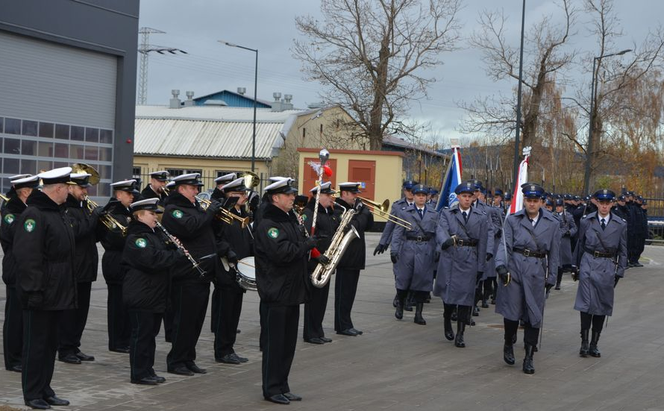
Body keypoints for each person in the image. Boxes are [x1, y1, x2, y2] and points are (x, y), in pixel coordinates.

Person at [14, 167, 77, 410]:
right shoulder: (35, 214)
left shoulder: (57, 213)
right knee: (35, 346)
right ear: (58, 189)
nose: (69, 192)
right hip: (40, 294)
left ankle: (45, 389)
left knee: (50, 345)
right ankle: (32, 393)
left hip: (57, 293)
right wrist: (34, 291)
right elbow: (28, 257)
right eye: (68, 188)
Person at [254, 177, 317, 404]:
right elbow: (283, 253)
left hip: (292, 290)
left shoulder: (290, 220)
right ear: (275, 198)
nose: (293, 198)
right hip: (277, 291)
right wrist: (306, 246)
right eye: (288, 195)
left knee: (288, 343)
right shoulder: (268, 224)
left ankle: (283, 384)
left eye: (292, 194)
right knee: (274, 344)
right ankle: (271, 388)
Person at [494, 183, 560, 374]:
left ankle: (529, 356)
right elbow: (504, 245)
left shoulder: (552, 223)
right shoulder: (513, 220)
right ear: (524, 201)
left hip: (537, 272)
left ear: (542, 202)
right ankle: (508, 341)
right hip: (515, 269)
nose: (532, 204)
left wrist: (552, 277)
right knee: (512, 312)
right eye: (529, 200)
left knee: (534, 315)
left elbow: (555, 253)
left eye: (535, 201)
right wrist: (501, 266)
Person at [122, 197, 186, 385]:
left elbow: (160, 254)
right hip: (142, 294)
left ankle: (147, 369)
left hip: (153, 294)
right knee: (141, 335)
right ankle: (139, 373)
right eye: (151, 214)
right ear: (139, 216)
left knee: (150, 335)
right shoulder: (137, 238)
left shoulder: (153, 234)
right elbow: (153, 260)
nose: (155, 217)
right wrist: (176, 254)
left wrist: (171, 246)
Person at [161, 173, 218, 376]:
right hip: (186, 274)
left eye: (196, 188)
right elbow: (192, 228)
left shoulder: (194, 208)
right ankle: (176, 360)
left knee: (195, 321)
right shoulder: (173, 210)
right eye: (193, 188)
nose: (196, 191)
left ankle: (188, 357)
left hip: (202, 273)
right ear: (182, 189)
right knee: (183, 321)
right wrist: (209, 211)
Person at [573, 189, 627, 358]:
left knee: (602, 305)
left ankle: (594, 343)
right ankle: (584, 342)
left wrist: (620, 271)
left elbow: (623, 250)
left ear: (612, 204)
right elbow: (580, 244)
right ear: (596, 203)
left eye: (607, 203)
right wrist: (575, 265)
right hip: (589, 262)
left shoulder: (620, 224)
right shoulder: (586, 221)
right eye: (601, 203)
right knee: (586, 303)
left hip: (607, 265)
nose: (604, 206)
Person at [434, 181, 488, 348]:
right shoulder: (447, 213)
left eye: (469, 196)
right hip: (451, 256)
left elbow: (483, 243)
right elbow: (440, 229)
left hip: (469, 258)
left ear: (473, 198)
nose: (466, 199)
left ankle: (460, 333)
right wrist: (446, 241)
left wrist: (480, 266)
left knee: (466, 298)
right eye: (463, 196)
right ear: (457, 197)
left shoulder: (481, 217)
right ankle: (447, 319)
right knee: (449, 296)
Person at [58, 172, 100, 364]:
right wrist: (93, 219)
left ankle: (74, 345)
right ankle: (65, 349)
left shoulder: (83, 208)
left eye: (86, 188)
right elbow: (77, 232)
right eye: (82, 188)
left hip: (86, 267)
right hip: (74, 268)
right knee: (70, 312)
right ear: (71, 188)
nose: (85, 192)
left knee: (82, 311)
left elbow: (92, 235)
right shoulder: (65, 208)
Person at [213, 177, 253, 364]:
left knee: (234, 312)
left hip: (240, 268)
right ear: (229, 195)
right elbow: (215, 238)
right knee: (225, 313)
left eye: (245, 193)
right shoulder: (223, 214)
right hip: (226, 269)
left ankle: (230, 347)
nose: (245, 196)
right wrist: (227, 252)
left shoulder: (240, 212)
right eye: (240, 193)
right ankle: (222, 350)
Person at [1, 175, 38, 373]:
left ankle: (22, 355)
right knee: (14, 317)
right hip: (15, 268)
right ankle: (12, 358)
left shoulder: (25, 210)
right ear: (24, 192)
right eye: (33, 191)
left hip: (26, 269)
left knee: (24, 316)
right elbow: (17, 234)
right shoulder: (10, 211)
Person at [390, 184, 438, 325]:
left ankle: (419, 313)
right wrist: (394, 250)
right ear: (415, 196)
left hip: (425, 248)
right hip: (408, 248)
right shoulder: (405, 212)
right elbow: (398, 232)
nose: (421, 198)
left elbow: (437, 234)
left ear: (427, 197)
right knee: (404, 278)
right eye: (418, 195)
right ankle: (400, 304)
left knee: (423, 282)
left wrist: (438, 250)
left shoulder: (433, 213)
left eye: (423, 195)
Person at [99, 179, 138, 353]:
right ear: (119, 194)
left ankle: (125, 338)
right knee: (116, 305)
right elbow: (114, 238)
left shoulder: (128, 212)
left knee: (126, 303)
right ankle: (117, 341)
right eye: (128, 194)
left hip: (126, 261)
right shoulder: (112, 213)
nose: (132, 197)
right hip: (115, 261)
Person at [334, 182, 373, 336]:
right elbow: (352, 226)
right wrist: (362, 213)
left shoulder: (354, 209)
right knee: (343, 294)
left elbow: (367, 226)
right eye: (353, 194)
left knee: (350, 294)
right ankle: (341, 325)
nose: (356, 196)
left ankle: (347, 322)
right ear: (344, 194)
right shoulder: (339, 209)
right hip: (345, 259)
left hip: (355, 258)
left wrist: (367, 213)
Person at [302, 182, 338, 344]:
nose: (331, 198)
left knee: (322, 299)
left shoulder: (326, 212)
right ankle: (310, 333)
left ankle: (318, 330)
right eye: (328, 195)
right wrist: (317, 255)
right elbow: (306, 236)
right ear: (318, 196)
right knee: (314, 299)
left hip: (326, 262)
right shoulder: (310, 213)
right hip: (315, 262)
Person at [554, 197, 577, 290]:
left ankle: (558, 282)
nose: (558, 208)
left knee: (561, 263)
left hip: (564, 241)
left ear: (563, 207)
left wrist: (569, 232)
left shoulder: (568, 216)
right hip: (555, 240)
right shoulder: (552, 215)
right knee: (555, 262)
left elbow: (574, 228)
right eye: (557, 206)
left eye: (560, 206)